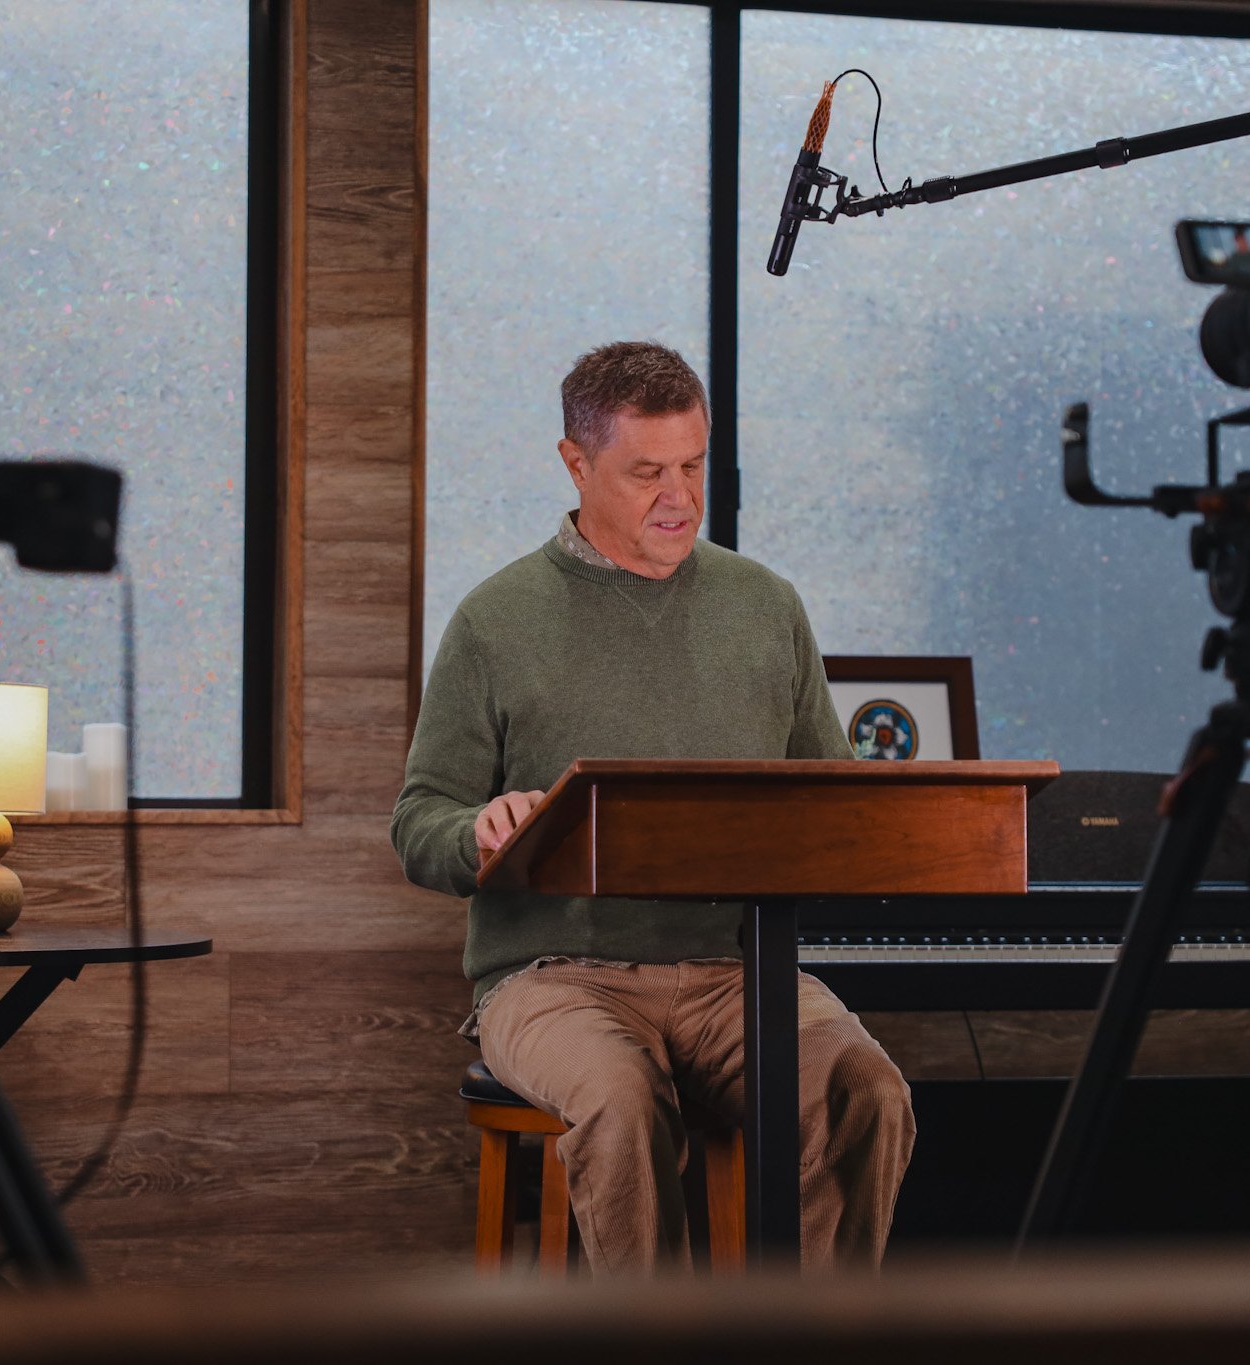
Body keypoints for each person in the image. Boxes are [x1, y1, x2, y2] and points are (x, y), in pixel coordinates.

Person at [391, 340, 915, 1275]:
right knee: (624, 1101)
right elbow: (419, 819)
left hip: (735, 970)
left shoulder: (766, 606)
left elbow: (836, 801)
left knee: (865, 1089)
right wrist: (476, 829)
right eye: (646, 472)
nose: (678, 496)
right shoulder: (494, 619)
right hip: (554, 979)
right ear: (576, 463)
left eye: (692, 465)